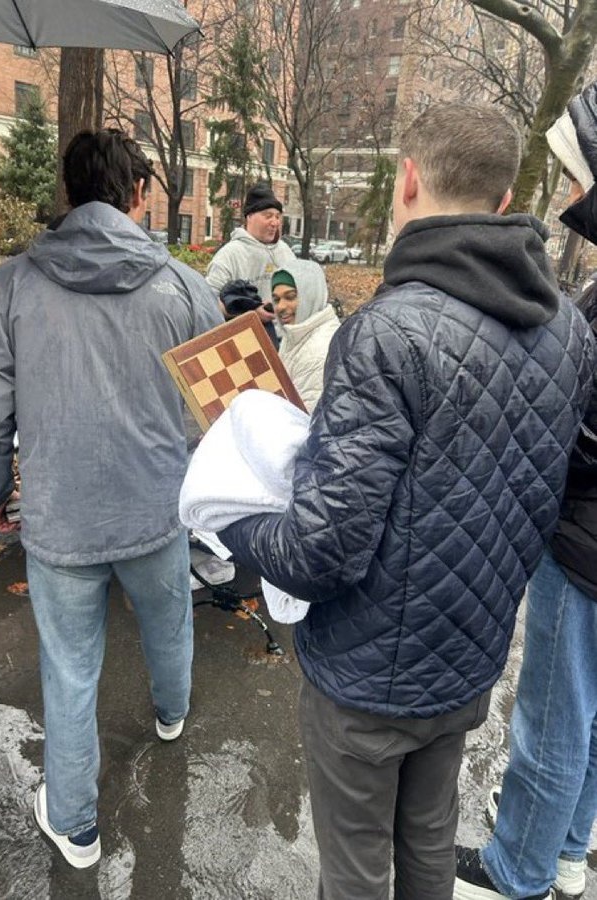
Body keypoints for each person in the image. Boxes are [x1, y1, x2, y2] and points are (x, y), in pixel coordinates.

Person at [215, 102, 595, 900]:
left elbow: (324, 551)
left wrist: (231, 522)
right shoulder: (568, 328)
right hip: (467, 659)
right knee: (425, 845)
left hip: (364, 678)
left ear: (408, 181)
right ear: (501, 201)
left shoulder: (388, 332)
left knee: (353, 870)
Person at [0, 129, 223, 869]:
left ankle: (74, 824)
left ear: (69, 194)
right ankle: (171, 714)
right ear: (139, 195)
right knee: (168, 624)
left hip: (60, 516)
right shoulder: (185, 287)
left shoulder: (13, 283)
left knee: (69, 666)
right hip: (157, 509)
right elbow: (225, 411)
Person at [455, 83, 597, 900]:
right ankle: (570, 851)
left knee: (552, 714)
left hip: (580, 544)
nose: (569, 194)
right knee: (591, 714)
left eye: (577, 175)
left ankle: (517, 872)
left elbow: (581, 437)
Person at [206, 181, 296, 344]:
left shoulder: (286, 252)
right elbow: (207, 305)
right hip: (244, 345)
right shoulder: (229, 255)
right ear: (249, 217)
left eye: (277, 216)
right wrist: (250, 313)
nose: (275, 222)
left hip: (285, 343)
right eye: (268, 216)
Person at [270, 259, 340, 413]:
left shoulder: (318, 349)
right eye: (276, 299)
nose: (280, 306)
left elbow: (303, 421)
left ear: (310, 294)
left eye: (290, 297)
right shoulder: (295, 334)